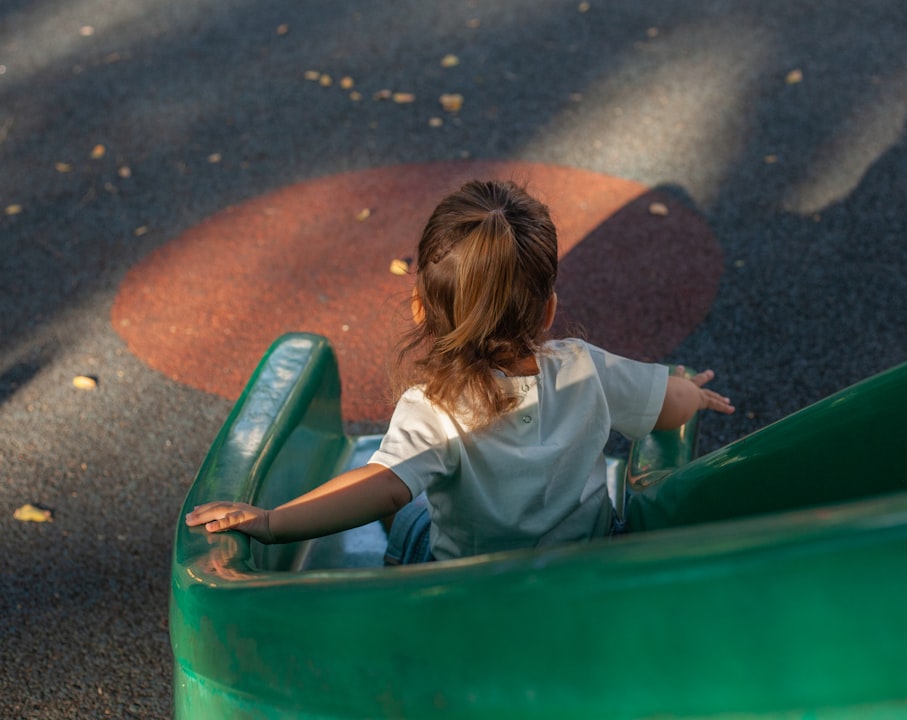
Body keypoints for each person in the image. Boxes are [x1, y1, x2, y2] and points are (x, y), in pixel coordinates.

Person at [186, 179, 734, 563]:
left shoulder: (434, 409)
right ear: (547, 310)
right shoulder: (584, 367)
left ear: (420, 309)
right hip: (581, 569)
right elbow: (670, 408)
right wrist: (690, 390)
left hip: (468, 588)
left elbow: (381, 488)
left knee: (408, 517)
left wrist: (272, 521)